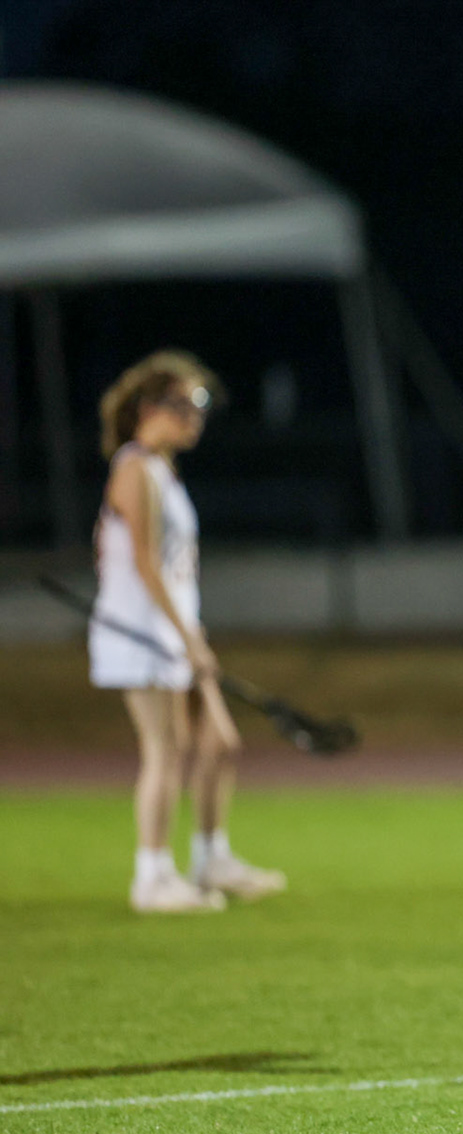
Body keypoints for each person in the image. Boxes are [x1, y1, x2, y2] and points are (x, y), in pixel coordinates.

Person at [89, 351, 287, 914]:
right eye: (188, 404)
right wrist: (187, 637)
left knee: (218, 742)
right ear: (152, 407)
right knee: (165, 750)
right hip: (143, 634)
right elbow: (146, 566)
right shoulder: (134, 468)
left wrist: (192, 635)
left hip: (172, 631)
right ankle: (151, 876)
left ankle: (211, 857)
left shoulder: (161, 471)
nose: (198, 415)